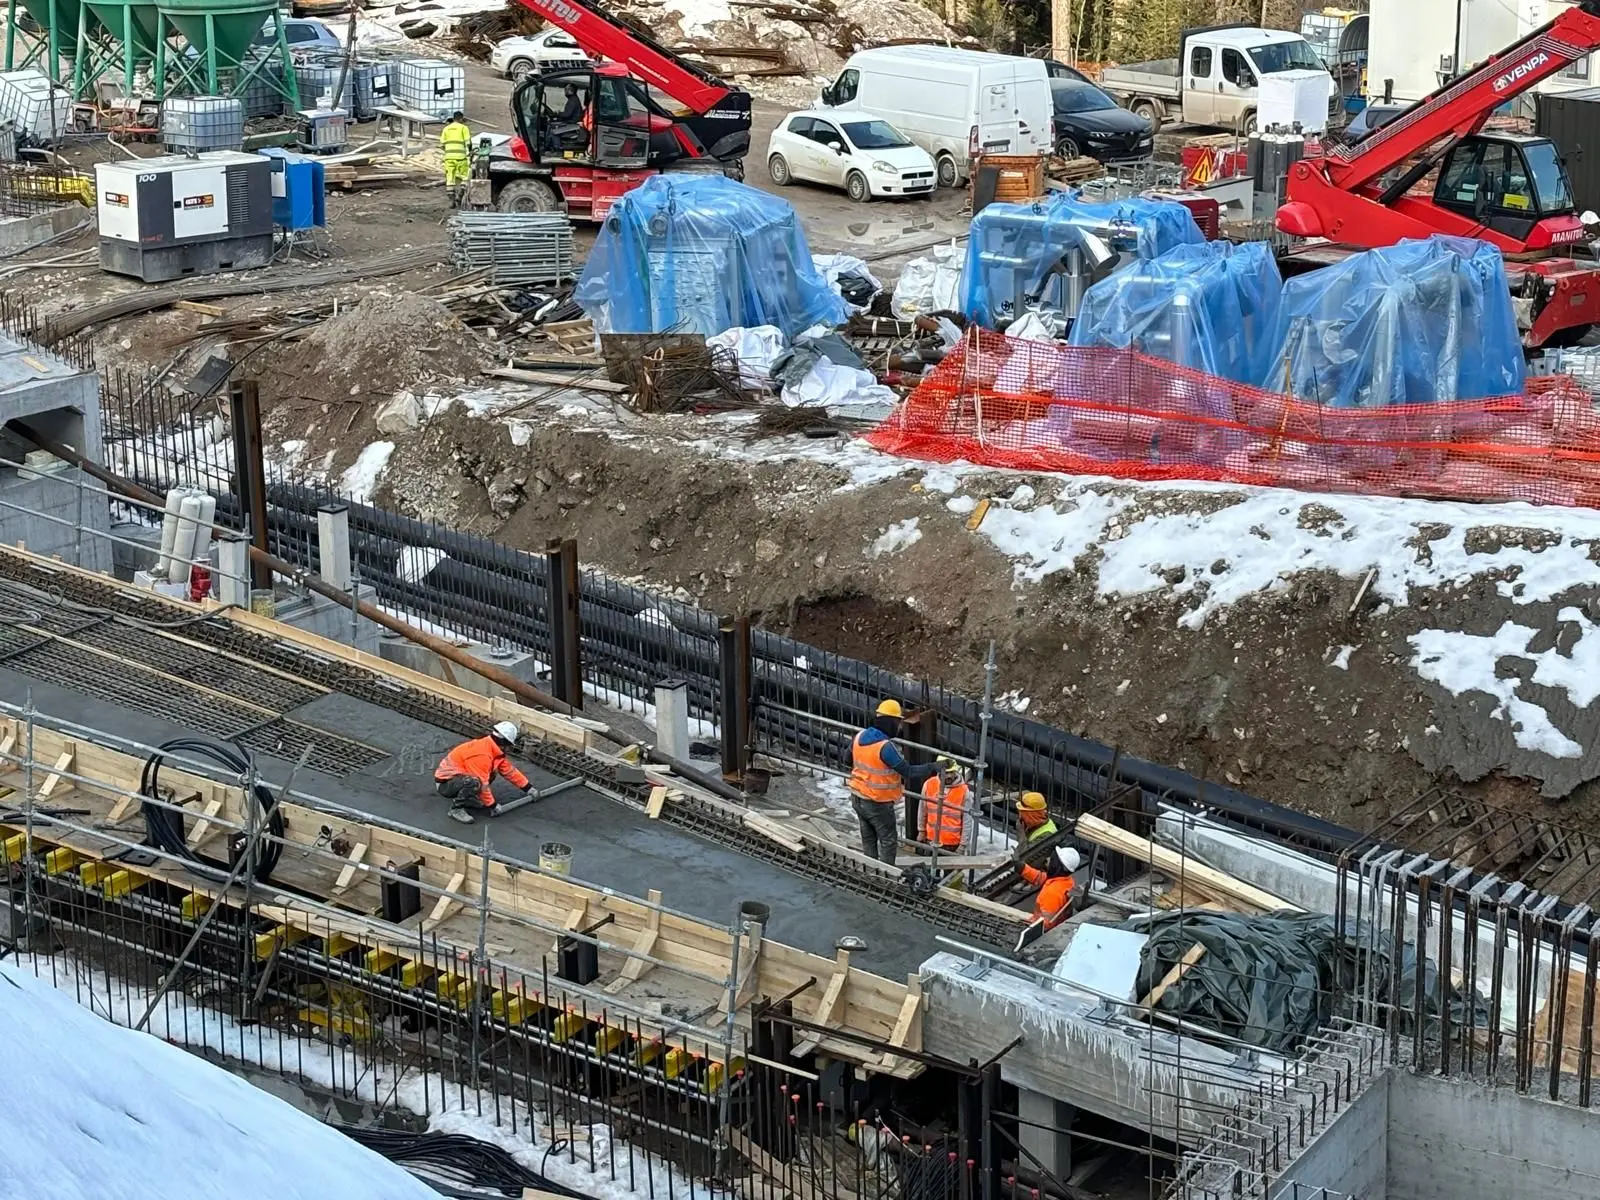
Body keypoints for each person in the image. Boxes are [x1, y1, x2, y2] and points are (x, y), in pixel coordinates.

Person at [848, 699, 936, 865]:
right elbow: (907, 771)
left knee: (868, 838)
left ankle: (871, 872)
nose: (900, 727)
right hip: (877, 802)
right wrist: (932, 766)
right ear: (891, 721)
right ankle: (886, 875)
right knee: (888, 840)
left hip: (857, 797)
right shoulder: (884, 747)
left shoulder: (859, 736)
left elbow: (847, 759)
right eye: (898, 722)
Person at [435, 721, 532, 823]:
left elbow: (509, 771)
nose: (509, 748)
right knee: (474, 782)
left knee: (490, 773)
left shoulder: (493, 749)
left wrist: (528, 788)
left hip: (458, 779)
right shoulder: (482, 755)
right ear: (504, 742)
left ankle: (469, 797)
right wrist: (492, 805)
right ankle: (456, 809)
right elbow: (482, 782)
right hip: (445, 784)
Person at [1019, 846, 1080, 930]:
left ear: (1057, 865)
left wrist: (1025, 925)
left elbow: (1045, 926)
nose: (1048, 860)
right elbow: (1041, 878)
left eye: (1052, 859)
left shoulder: (1053, 893)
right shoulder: (1066, 881)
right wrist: (1022, 868)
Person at [920, 756, 966, 851]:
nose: (949, 776)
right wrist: (921, 831)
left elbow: (967, 821)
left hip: (952, 843)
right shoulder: (929, 784)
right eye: (946, 772)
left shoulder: (964, 791)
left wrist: (963, 844)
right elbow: (922, 810)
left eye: (951, 772)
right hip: (931, 839)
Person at [440, 110, 472, 206]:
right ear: (461, 118)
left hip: (449, 158)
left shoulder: (446, 129)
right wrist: (470, 152)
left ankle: (451, 201)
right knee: (465, 177)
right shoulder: (463, 128)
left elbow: (442, 144)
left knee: (450, 179)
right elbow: (468, 142)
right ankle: (460, 195)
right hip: (461, 157)